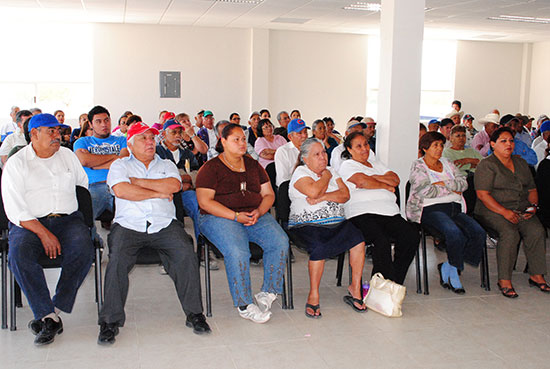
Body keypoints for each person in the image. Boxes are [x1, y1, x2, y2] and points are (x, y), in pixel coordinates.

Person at [98, 122, 210, 344]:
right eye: (143, 138)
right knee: (117, 258)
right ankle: (110, 321)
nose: (150, 142)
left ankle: (194, 314)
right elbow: (121, 190)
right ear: (130, 144)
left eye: (152, 138)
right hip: (128, 225)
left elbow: (173, 186)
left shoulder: (167, 164)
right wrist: (157, 193)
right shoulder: (120, 165)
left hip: (164, 224)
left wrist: (138, 183)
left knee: (186, 253)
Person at [2, 113, 92, 346]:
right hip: (30, 223)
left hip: (68, 220)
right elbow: (15, 209)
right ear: (34, 134)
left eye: (58, 130)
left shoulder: (68, 156)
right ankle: (46, 314)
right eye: (50, 131)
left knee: (84, 248)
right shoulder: (17, 163)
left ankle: (54, 311)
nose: (57, 135)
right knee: (18, 254)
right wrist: (44, 233)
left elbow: (82, 186)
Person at [196, 123, 288, 323]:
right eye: (235, 139)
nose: (241, 143)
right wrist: (235, 216)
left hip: (254, 214)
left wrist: (259, 211)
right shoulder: (210, 168)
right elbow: (205, 202)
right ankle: (244, 304)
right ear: (223, 142)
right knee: (238, 251)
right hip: (218, 217)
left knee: (280, 241)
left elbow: (268, 194)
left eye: (243, 139)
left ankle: (268, 292)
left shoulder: (253, 165)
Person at [288, 138, 366, 317]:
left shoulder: (332, 170)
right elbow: (313, 191)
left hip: (336, 222)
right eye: (317, 154)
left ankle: (355, 288)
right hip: (306, 225)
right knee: (319, 247)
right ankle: (313, 294)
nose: (323, 157)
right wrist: (326, 177)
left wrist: (323, 198)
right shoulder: (301, 172)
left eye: (324, 152)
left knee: (357, 238)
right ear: (305, 158)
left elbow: (345, 195)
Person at [474, 127, 549, 298]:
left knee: (537, 231)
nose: (509, 144)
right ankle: (504, 280)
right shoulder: (487, 165)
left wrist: (533, 206)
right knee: (510, 233)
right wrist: (505, 212)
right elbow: (483, 195)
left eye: (511, 141)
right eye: (503, 141)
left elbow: (531, 189)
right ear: (492, 145)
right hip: (492, 209)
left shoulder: (521, 163)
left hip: (521, 207)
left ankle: (536, 275)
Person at [407, 131, 485, 294]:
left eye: (441, 145)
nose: (439, 149)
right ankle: (454, 274)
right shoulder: (418, 165)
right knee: (454, 233)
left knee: (478, 232)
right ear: (425, 148)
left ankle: (449, 265)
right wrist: (451, 187)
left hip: (454, 207)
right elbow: (425, 191)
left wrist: (442, 184)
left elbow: (463, 184)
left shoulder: (448, 162)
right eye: (435, 145)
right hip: (430, 209)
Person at [339, 132, 418, 285]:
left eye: (366, 144)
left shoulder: (377, 164)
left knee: (411, 236)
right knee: (381, 240)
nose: (364, 149)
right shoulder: (347, 165)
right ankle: (384, 284)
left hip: (389, 213)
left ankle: (392, 281)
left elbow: (395, 179)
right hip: (362, 214)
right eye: (359, 146)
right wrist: (384, 184)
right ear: (349, 149)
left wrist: (372, 177)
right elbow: (361, 182)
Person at [73, 106, 129, 232]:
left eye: (106, 120)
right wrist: (115, 157)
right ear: (91, 124)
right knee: (83, 221)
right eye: (98, 121)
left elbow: (124, 160)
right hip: (95, 186)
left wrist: (95, 163)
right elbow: (84, 160)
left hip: (121, 184)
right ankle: (91, 241)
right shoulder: (82, 142)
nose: (104, 124)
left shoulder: (121, 140)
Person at [274, 118, 310, 187]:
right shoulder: (283, 151)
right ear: (290, 137)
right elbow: (282, 180)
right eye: (300, 133)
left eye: (305, 132)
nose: (304, 136)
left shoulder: (310, 149)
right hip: (292, 188)